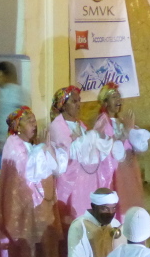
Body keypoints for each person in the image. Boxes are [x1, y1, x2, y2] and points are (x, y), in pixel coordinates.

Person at [0, 106, 67, 257]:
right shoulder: (13, 145)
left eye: (34, 120)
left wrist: (48, 148)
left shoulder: (32, 146)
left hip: (41, 205)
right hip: (25, 208)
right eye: (29, 121)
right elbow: (27, 172)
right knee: (29, 249)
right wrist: (42, 148)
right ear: (17, 126)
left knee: (46, 243)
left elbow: (55, 168)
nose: (34, 124)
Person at [49, 86, 114, 229]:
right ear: (63, 105)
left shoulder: (80, 124)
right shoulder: (57, 126)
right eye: (74, 101)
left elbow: (90, 150)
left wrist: (98, 138)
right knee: (75, 220)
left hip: (88, 180)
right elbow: (67, 154)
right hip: (72, 183)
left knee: (89, 218)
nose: (79, 104)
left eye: (79, 100)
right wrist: (91, 137)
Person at [93, 82, 150, 219]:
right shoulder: (102, 122)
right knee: (119, 204)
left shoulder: (121, 120)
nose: (118, 100)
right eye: (114, 97)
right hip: (115, 173)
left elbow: (137, 144)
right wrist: (126, 131)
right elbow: (108, 148)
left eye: (119, 97)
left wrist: (134, 133)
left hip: (129, 170)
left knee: (132, 203)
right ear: (105, 102)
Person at [0, 61, 28, 168]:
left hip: (14, 146)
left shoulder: (18, 92)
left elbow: (24, 117)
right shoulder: (0, 91)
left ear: (6, 75)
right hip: (1, 146)